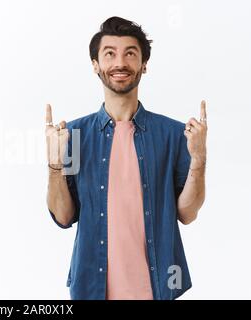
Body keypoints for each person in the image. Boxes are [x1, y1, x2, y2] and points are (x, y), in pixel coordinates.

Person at [45, 16, 207, 300]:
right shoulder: (73, 136)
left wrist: (199, 160)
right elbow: (64, 216)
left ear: (143, 64)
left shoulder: (173, 134)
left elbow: (187, 213)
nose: (120, 63)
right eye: (110, 54)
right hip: (92, 291)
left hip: (157, 289)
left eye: (130, 53)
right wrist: (55, 164)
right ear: (96, 65)